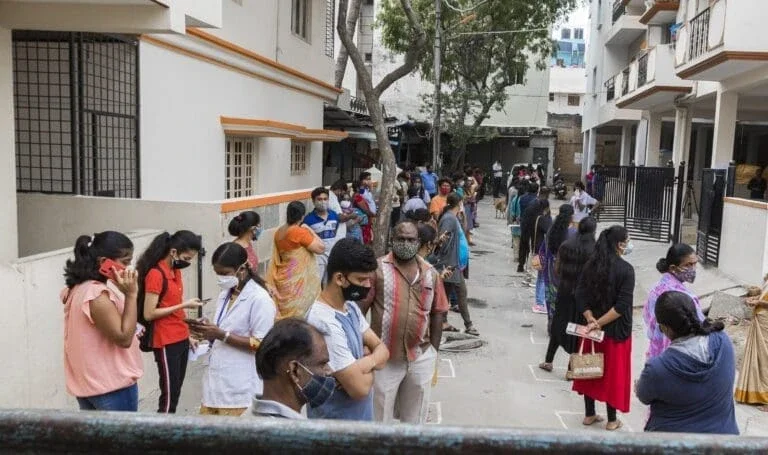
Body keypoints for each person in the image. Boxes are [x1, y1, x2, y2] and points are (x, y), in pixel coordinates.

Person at [360, 220, 449, 423]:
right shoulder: (378, 270)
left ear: (418, 242)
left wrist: (433, 352)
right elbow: (360, 310)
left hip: (420, 356)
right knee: (379, 417)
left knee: (415, 419)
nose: (405, 243)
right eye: (401, 239)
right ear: (392, 239)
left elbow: (438, 312)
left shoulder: (430, 273)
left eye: (410, 239)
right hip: (384, 358)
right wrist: (364, 347)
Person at [188, 242, 276, 416]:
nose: (221, 278)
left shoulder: (260, 299)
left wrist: (221, 334)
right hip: (216, 384)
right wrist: (207, 329)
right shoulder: (225, 294)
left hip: (240, 387)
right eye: (217, 274)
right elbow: (224, 327)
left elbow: (262, 344)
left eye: (225, 274)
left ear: (242, 269)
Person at [305, 239, 390, 420]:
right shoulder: (323, 322)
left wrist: (363, 363)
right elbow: (360, 388)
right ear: (340, 278)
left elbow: (383, 350)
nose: (367, 285)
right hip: (335, 431)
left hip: (359, 424)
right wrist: (371, 357)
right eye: (361, 279)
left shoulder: (349, 307)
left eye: (369, 279)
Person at [636, 291, 739, 435]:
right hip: (725, 442)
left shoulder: (657, 368)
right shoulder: (723, 341)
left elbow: (643, 396)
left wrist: (639, 384)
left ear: (664, 328)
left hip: (678, 445)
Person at [62, 231, 143, 411]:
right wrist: (131, 295)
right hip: (112, 387)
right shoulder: (96, 294)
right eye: (125, 262)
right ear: (103, 262)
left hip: (90, 387)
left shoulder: (78, 289)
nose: (128, 269)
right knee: (123, 439)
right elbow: (123, 338)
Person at [573, 225, 634, 431]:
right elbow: (621, 307)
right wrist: (599, 322)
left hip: (591, 329)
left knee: (590, 369)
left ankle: (589, 414)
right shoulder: (626, 270)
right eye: (626, 240)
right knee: (612, 375)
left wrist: (591, 319)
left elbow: (580, 294)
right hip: (615, 331)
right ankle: (611, 419)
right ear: (619, 244)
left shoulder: (591, 265)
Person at [137, 230, 203, 414]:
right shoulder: (156, 274)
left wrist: (187, 334)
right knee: (168, 396)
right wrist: (184, 304)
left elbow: (174, 306)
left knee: (176, 392)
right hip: (165, 340)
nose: (187, 262)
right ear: (173, 252)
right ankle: (162, 436)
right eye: (186, 257)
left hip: (180, 336)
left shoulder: (175, 271)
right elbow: (149, 313)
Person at [542, 217, 597, 379]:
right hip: (583, 296)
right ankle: (570, 370)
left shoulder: (566, 246)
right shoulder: (595, 251)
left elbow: (557, 269)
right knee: (578, 329)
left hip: (564, 291)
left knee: (558, 325)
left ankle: (548, 360)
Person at [252, 318, 333, 419]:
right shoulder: (284, 432)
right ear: (294, 371)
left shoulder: (248, 420)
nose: (329, 371)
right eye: (322, 364)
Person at [644, 243, 704, 361]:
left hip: (656, 352)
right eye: (688, 265)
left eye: (695, 264)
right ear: (672, 268)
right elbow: (699, 327)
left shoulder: (655, 289)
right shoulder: (685, 297)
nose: (693, 269)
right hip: (677, 357)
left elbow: (648, 319)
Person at [267, 201, 324, 319]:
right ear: (302, 216)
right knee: (298, 316)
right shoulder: (298, 231)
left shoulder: (279, 231)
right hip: (296, 281)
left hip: (284, 277)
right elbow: (321, 248)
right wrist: (309, 229)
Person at [538, 204, 577, 373]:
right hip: (567, 279)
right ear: (571, 217)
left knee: (552, 305)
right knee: (565, 312)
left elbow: (543, 252)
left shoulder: (551, 232)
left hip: (550, 275)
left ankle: (551, 324)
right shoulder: (573, 235)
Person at [436, 193, 478, 336]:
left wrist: (464, 216)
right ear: (459, 203)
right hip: (450, 264)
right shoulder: (449, 218)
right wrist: (445, 261)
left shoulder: (453, 218)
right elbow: (443, 241)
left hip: (455, 263)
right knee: (461, 293)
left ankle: (443, 321)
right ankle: (469, 324)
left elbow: (463, 231)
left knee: (446, 293)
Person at [735, 276, 768, 411]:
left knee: (765, 358)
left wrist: (758, 302)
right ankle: (754, 393)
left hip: (765, 323)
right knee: (758, 356)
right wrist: (756, 299)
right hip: (761, 319)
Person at [304, 187, 341, 283]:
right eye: (319, 199)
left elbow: (335, 231)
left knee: (328, 283)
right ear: (313, 201)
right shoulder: (308, 220)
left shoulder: (334, 215)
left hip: (332, 255)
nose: (323, 202)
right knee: (316, 283)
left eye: (325, 199)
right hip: (317, 257)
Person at [516, 183, 541, 274]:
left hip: (524, 223)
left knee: (523, 244)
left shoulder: (522, 198)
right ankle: (533, 265)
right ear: (537, 190)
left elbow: (520, 210)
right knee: (534, 244)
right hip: (534, 224)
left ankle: (521, 264)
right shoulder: (537, 201)